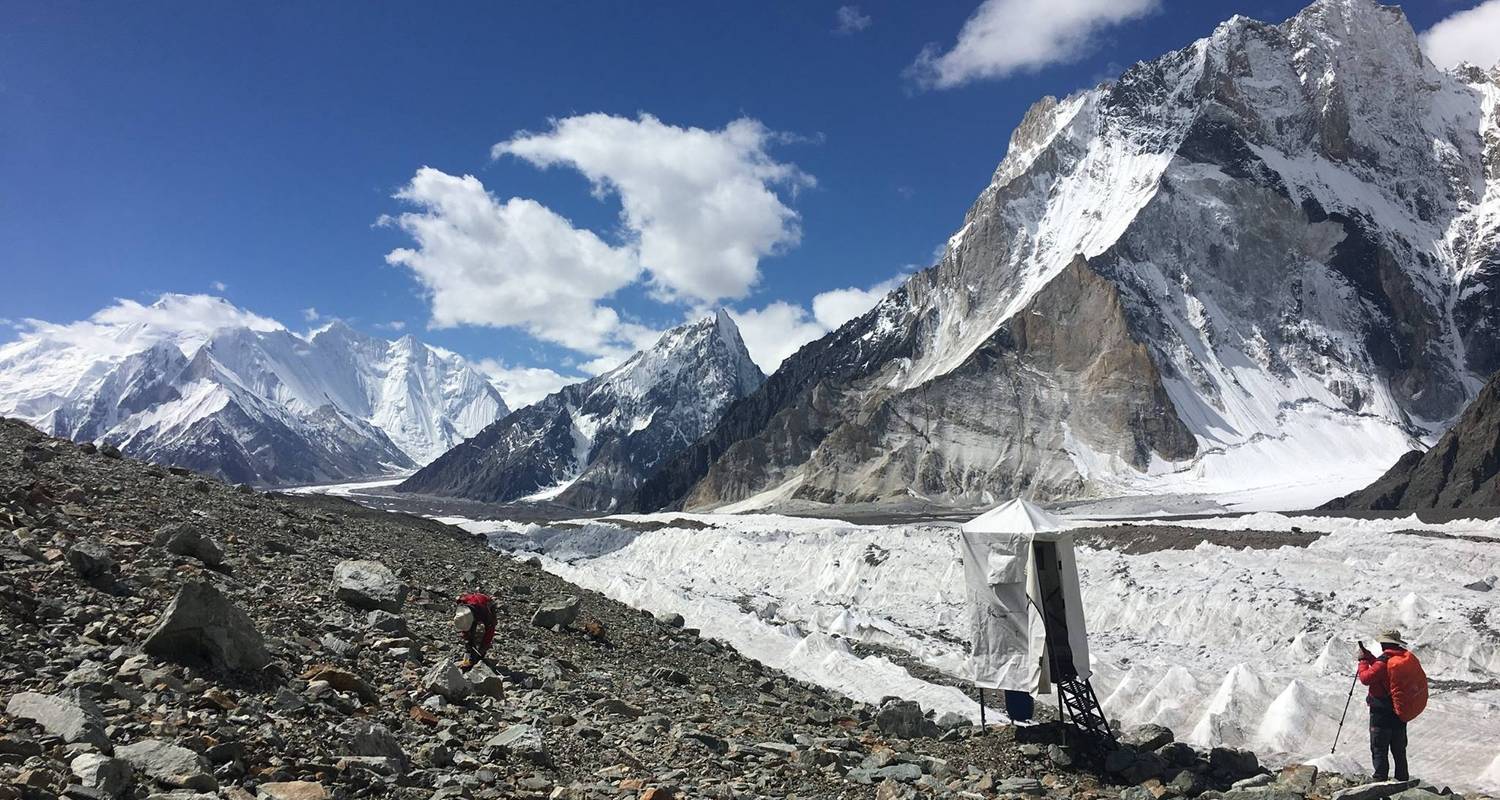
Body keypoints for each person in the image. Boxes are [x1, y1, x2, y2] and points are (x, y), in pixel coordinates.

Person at [1357, 629, 1411, 781]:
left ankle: (1380, 780)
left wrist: (1363, 661)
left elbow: (1366, 678)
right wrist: (1370, 658)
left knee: (1379, 748)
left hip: (1381, 712)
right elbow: (1382, 671)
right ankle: (1402, 780)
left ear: (1386, 643)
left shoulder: (1385, 660)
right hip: (1399, 709)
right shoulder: (1401, 658)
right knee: (1399, 749)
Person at [454, 591, 497, 669]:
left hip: (485, 605)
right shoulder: (462, 607)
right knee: (469, 637)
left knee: (481, 635)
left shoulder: (485, 614)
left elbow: (490, 630)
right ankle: (469, 658)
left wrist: (481, 650)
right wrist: (468, 641)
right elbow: (464, 627)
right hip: (472, 606)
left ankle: (478, 658)